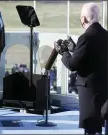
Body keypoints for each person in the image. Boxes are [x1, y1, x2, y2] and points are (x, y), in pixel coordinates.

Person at [54, 3, 107, 135]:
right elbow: (93, 56)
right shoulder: (105, 35)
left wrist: (64, 52)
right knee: (100, 125)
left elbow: (73, 65)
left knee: (90, 128)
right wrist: (75, 48)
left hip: (89, 92)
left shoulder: (86, 37)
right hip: (104, 90)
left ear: (83, 19)